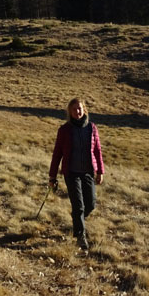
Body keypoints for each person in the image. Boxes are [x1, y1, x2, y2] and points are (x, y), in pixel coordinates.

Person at [48, 98, 104, 250]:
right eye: (74, 109)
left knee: (90, 203)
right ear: (69, 112)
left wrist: (100, 171)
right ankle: (80, 236)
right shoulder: (65, 130)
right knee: (78, 206)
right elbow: (57, 154)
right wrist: (52, 176)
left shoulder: (92, 128)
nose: (77, 112)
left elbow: (97, 150)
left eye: (79, 109)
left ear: (84, 109)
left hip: (87, 172)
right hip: (71, 173)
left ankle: (78, 221)